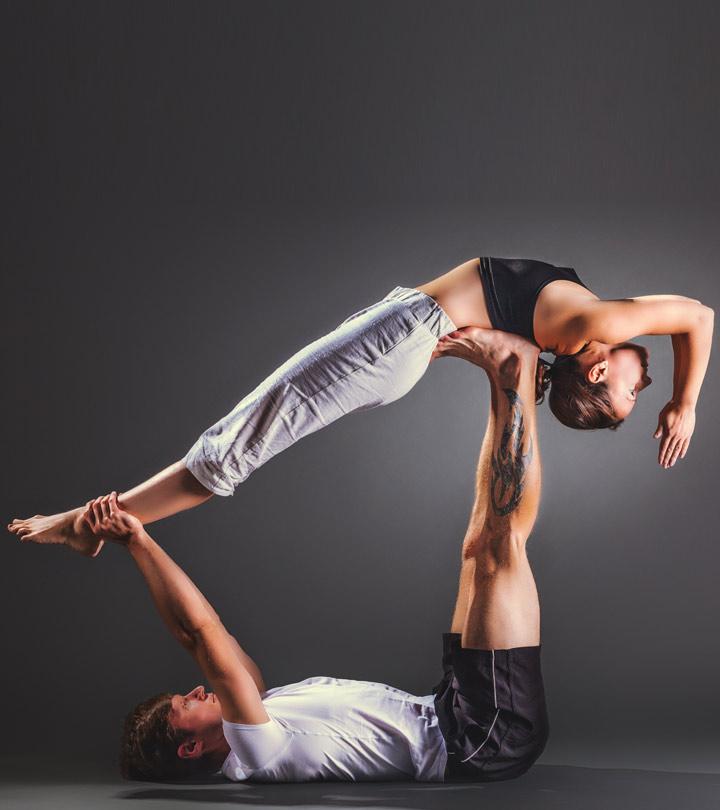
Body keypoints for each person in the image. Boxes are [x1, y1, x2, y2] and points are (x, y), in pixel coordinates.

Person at [66, 328, 548, 783]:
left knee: (479, 546)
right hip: (480, 739)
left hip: (452, 708)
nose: (195, 690)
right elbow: (198, 634)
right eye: (184, 705)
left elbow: (217, 635)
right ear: (190, 748)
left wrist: (139, 540)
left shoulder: (263, 706)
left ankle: (510, 377)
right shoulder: (259, 751)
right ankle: (514, 371)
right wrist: (138, 541)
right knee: (498, 550)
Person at [8, 257, 713, 558]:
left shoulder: (596, 324)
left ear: (594, 365)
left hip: (405, 336)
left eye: (629, 396)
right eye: (639, 393)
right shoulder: (583, 328)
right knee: (250, 429)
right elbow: (697, 317)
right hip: (407, 326)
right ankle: (96, 521)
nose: (642, 388)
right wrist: (684, 404)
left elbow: (694, 315)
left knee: (244, 436)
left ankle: (89, 521)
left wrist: (683, 400)